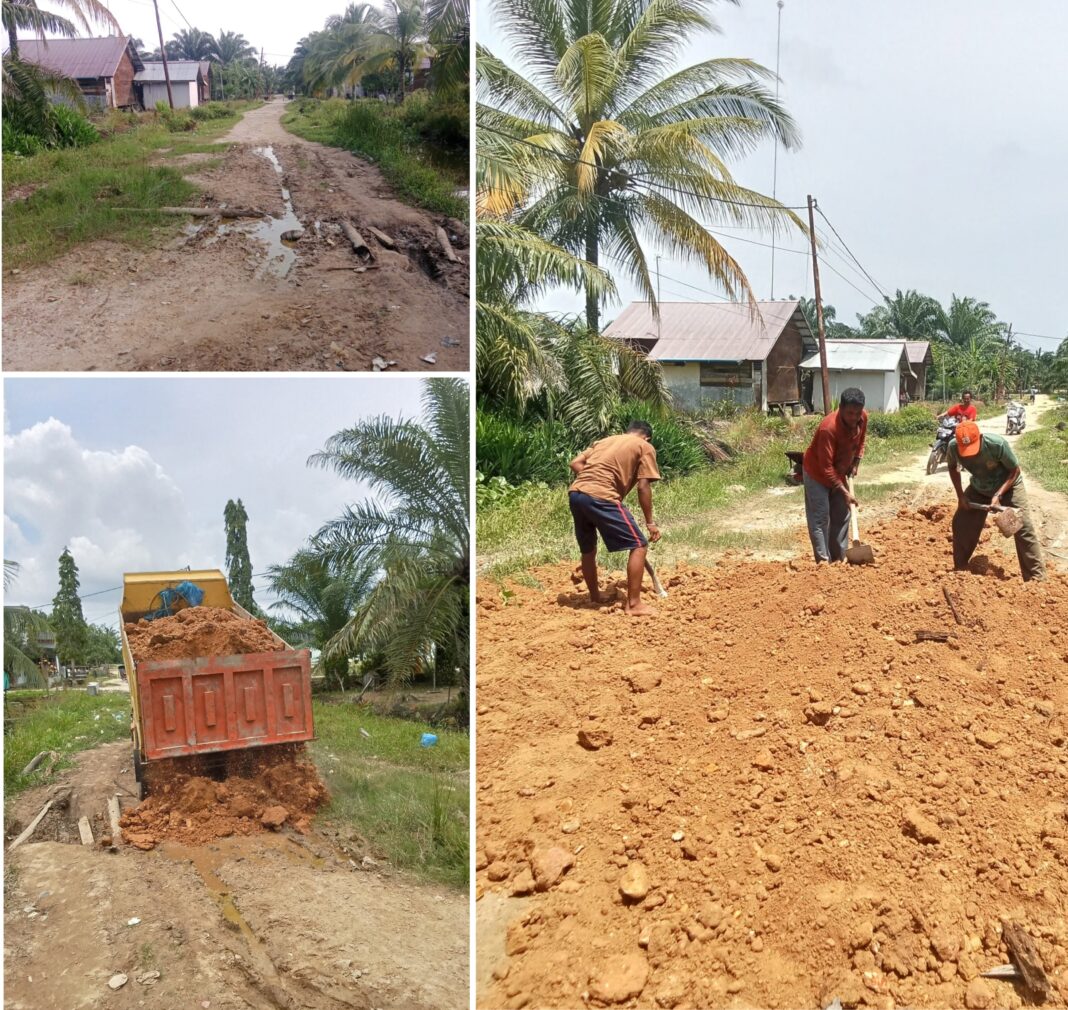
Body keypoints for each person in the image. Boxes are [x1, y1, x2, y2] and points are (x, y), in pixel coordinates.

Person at [568, 421, 662, 615]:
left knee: (588, 549)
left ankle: (594, 596)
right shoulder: (645, 446)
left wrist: (593, 479)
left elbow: (575, 463)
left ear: (629, 432)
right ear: (647, 437)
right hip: (602, 497)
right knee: (639, 545)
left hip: (576, 494)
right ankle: (634, 604)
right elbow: (643, 487)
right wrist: (650, 523)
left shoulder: (604, 441)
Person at [947, 421, 1045, 581]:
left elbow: (1015, 470)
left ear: (980, 437)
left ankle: (1036, 579)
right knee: (961, 523)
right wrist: (960, 496)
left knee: (1022, 527)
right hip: (979, 487)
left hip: (1009, 486)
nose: (970, 454)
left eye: (972, 447)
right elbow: (952, 468)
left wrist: (998, 495)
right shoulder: (952, 447)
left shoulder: (996, 444)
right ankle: (961, 571)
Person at [802, 387, 867, 563]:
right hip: (817, 473)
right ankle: (823, 562)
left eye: (857, 413)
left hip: (839, 471)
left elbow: (860, 441)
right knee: (821, 517)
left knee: (841, 514)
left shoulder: (862, 418)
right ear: (841, 408)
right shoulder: (828, 429)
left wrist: (856, 461)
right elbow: (825, 468)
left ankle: (840, 558)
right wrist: (844, 492)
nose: (854, 417)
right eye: (850, 413)